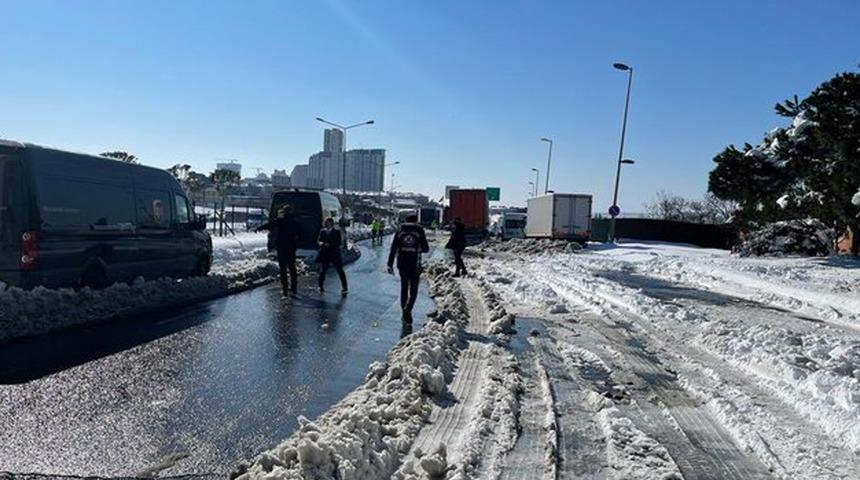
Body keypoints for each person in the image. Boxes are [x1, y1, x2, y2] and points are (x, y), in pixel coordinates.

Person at [387, 214, 429, 323]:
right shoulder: (419, 230)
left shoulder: (400, 230)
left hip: (402, 263)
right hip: (415, 264)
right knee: (414, 289)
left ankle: (403, 311)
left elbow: (393, 248)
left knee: (404, 287)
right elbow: (426, 248)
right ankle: (408, 310)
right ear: (416, 221)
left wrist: (390, 263)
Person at [256, 205, 301, 295]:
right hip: (291, 248)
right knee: (292, 268)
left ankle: (284, 289)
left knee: (283, 269)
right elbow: (302, 233)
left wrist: (258, 228)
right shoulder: (295, 222)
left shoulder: (280, 220)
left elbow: (269, 225)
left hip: (281, 247)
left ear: (284, 212)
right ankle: (294, 288)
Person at [317, 217, 348, 294]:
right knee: (322, 271)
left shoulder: (336, 232)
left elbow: (338, 242)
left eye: (327, 223)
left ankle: (345, 287)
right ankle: (320, 286)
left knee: (340, 270)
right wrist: (321, 243)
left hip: (335, 254)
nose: (325, 224)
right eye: (325, 223)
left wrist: (330, 244)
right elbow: (319, 240)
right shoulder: (322, 231)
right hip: (325, 254)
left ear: (331, 224)